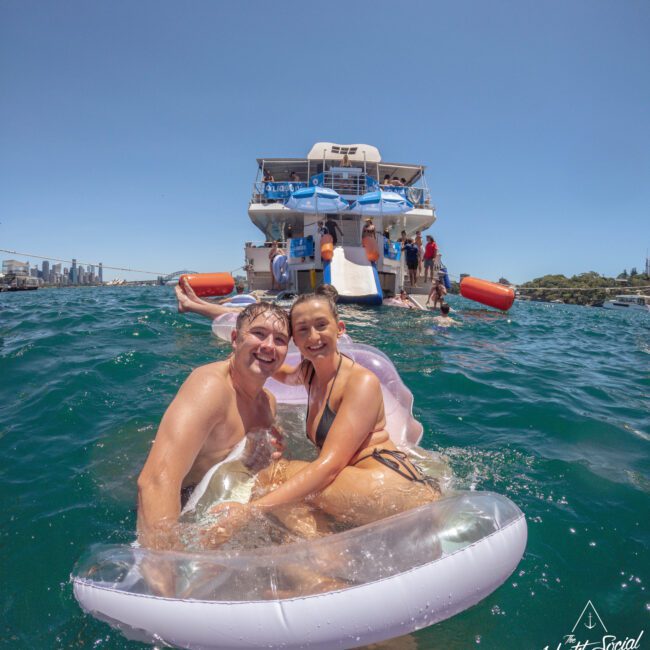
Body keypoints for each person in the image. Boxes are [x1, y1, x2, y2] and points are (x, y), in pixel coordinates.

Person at [205, 285, 440, 546]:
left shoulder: (360, 382)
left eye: (321, 325)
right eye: (303, 329)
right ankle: (319, 566)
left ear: (339, 329)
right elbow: (278, 371)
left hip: (389, 487)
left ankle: (321, 570)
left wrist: (250, 511)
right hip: (362, 484)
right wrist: (241, 356)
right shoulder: (310, 373)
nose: (313, 336)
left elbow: (329, 467)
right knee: (287, 497)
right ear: (295, 339)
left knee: (275, 476)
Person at [137, 300, 291, 551]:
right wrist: (165, 565)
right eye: (259, 333)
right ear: (234, 338)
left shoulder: (268, 403)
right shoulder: (210, 387)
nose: (268, 346)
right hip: (179, 502)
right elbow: (156, 480)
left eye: (280, 340)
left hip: (221, 496)